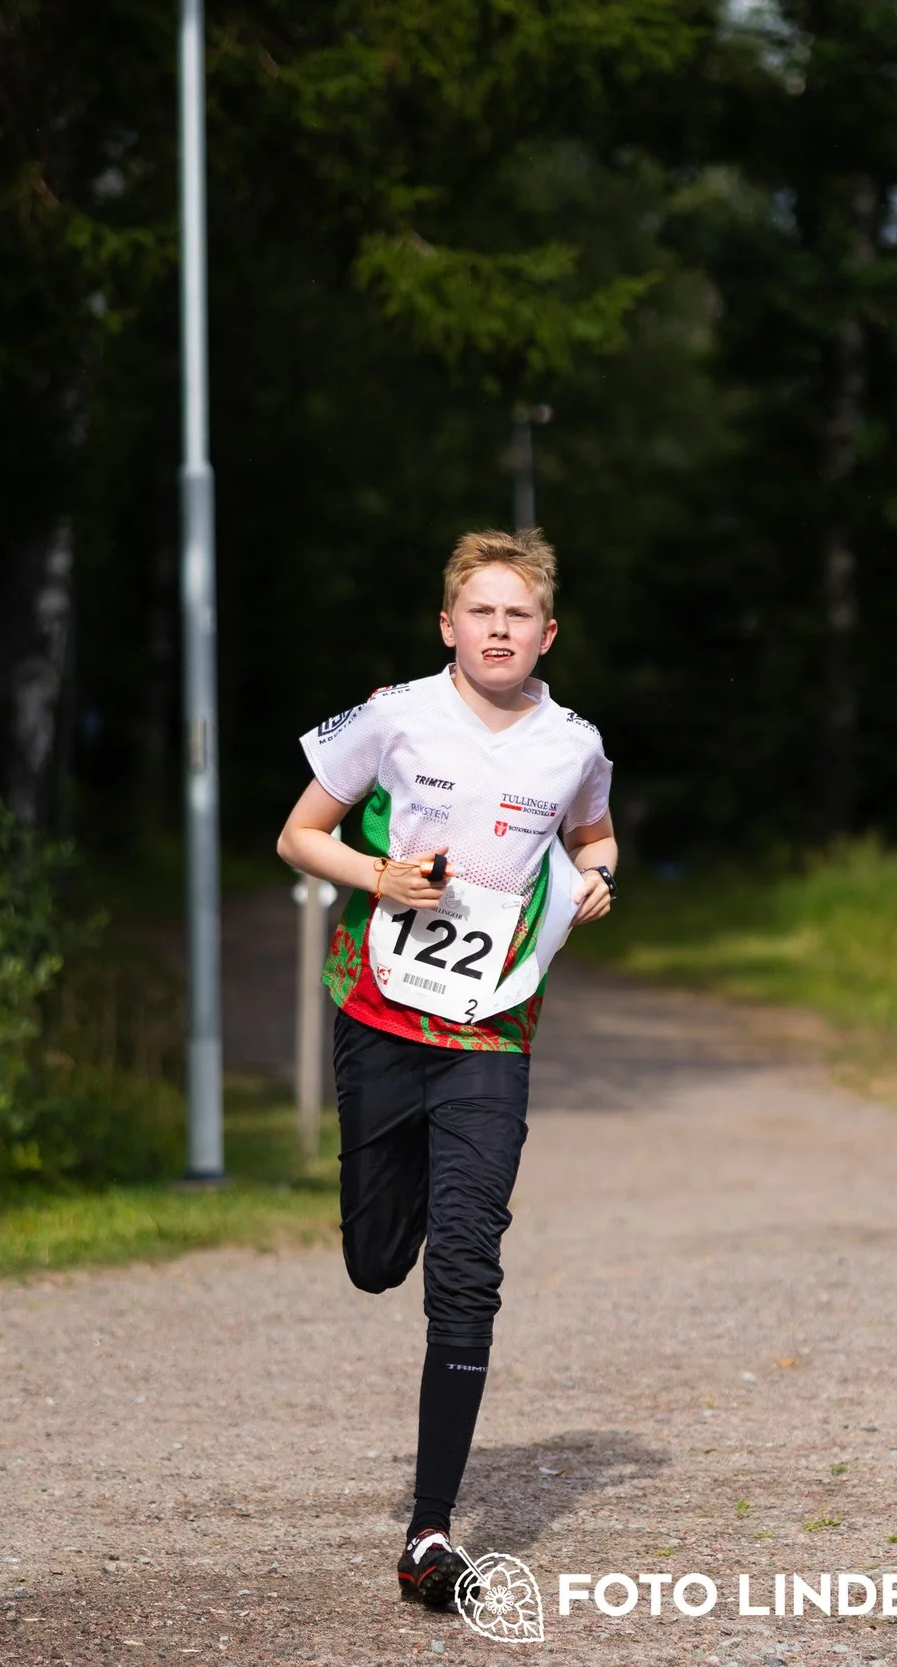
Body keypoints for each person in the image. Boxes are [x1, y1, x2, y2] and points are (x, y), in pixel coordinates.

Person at [276, 527, 617, 1613]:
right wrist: (382, 874)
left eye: (519, 614)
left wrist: (598, 877)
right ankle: (412, 1189)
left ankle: (430, 1529)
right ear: (448, 627)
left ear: (545, 633)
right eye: (482, 611)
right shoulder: (393, 715)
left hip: (491, 1029)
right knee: (380, 1260)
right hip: (379, 1010)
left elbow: (595, 832)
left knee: (466, 1265)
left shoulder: (573, 742)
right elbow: (298, 834)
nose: (499, 629)